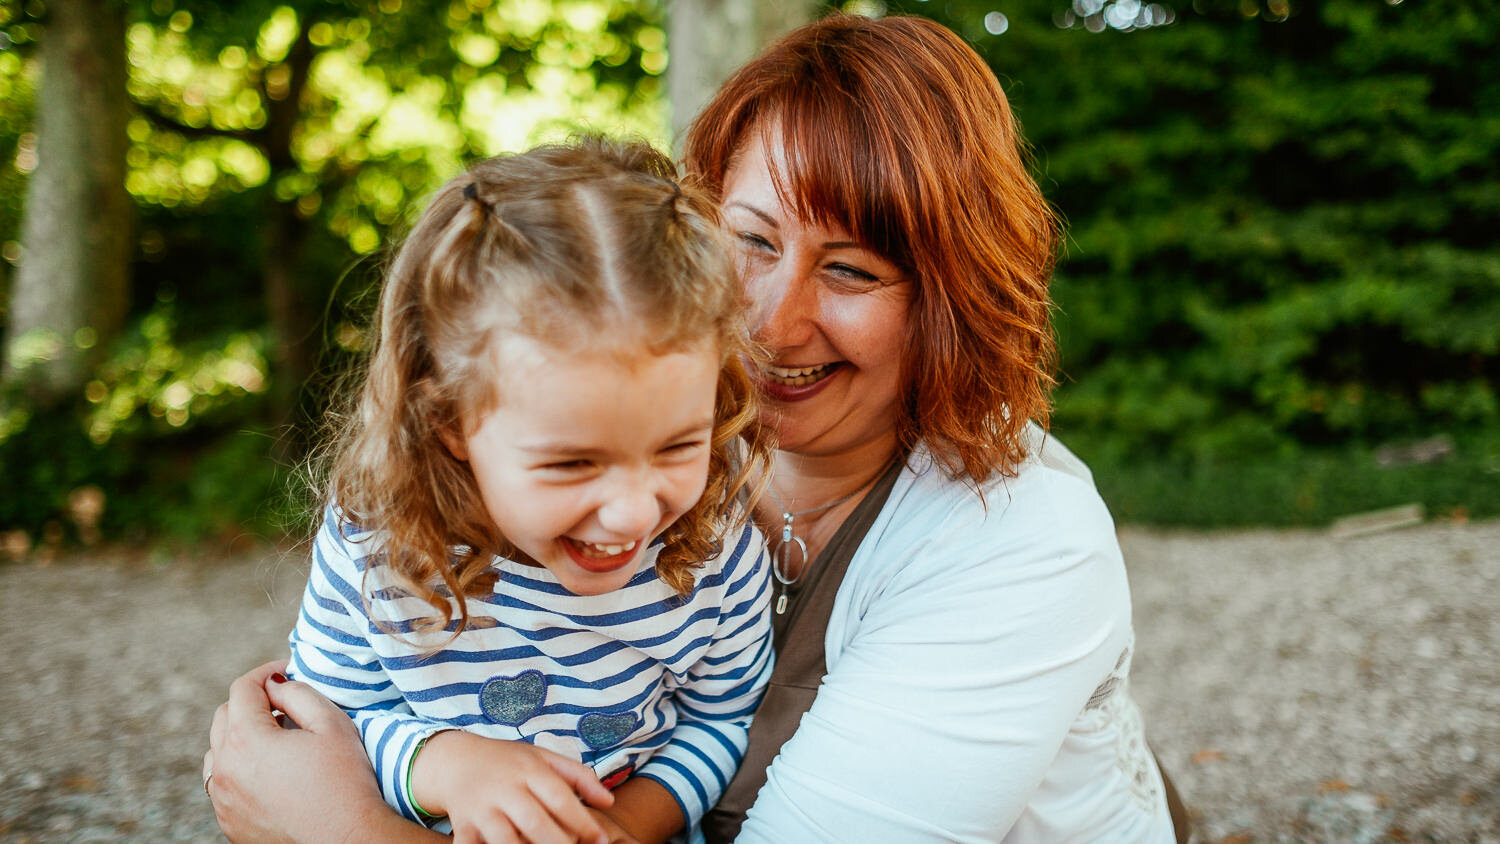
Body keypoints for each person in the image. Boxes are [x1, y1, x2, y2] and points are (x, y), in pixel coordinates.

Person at [206, 14, 1184, 842]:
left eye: (849, 270)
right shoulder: (650, 448)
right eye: (751, 239)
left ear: (949, 300)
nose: (769, 319)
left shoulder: (1020, 535)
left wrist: (337, 826)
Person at [245, 138, 777, 844]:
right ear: (450, 424)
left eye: (679, 446)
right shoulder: (377, 547)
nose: (632, 510)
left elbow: (723, 718)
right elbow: (320, 727)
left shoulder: (717, 541)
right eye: (571, 464)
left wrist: (621, 828)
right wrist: (449, 768)